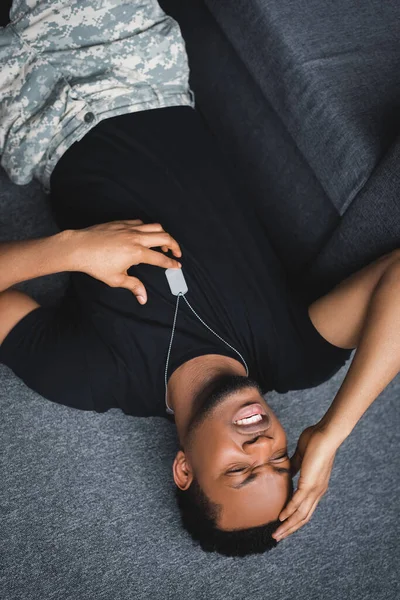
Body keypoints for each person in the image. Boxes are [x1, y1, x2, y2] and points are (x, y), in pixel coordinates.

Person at [1, 1, 399, 558]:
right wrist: (333, 433)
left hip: (27, 113)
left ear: (185, 469)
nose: (262, 445)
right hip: (132, 61)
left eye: (240, 470)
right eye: (279, 460)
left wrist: (71, 250)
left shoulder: (93, 376)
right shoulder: (296, 355)